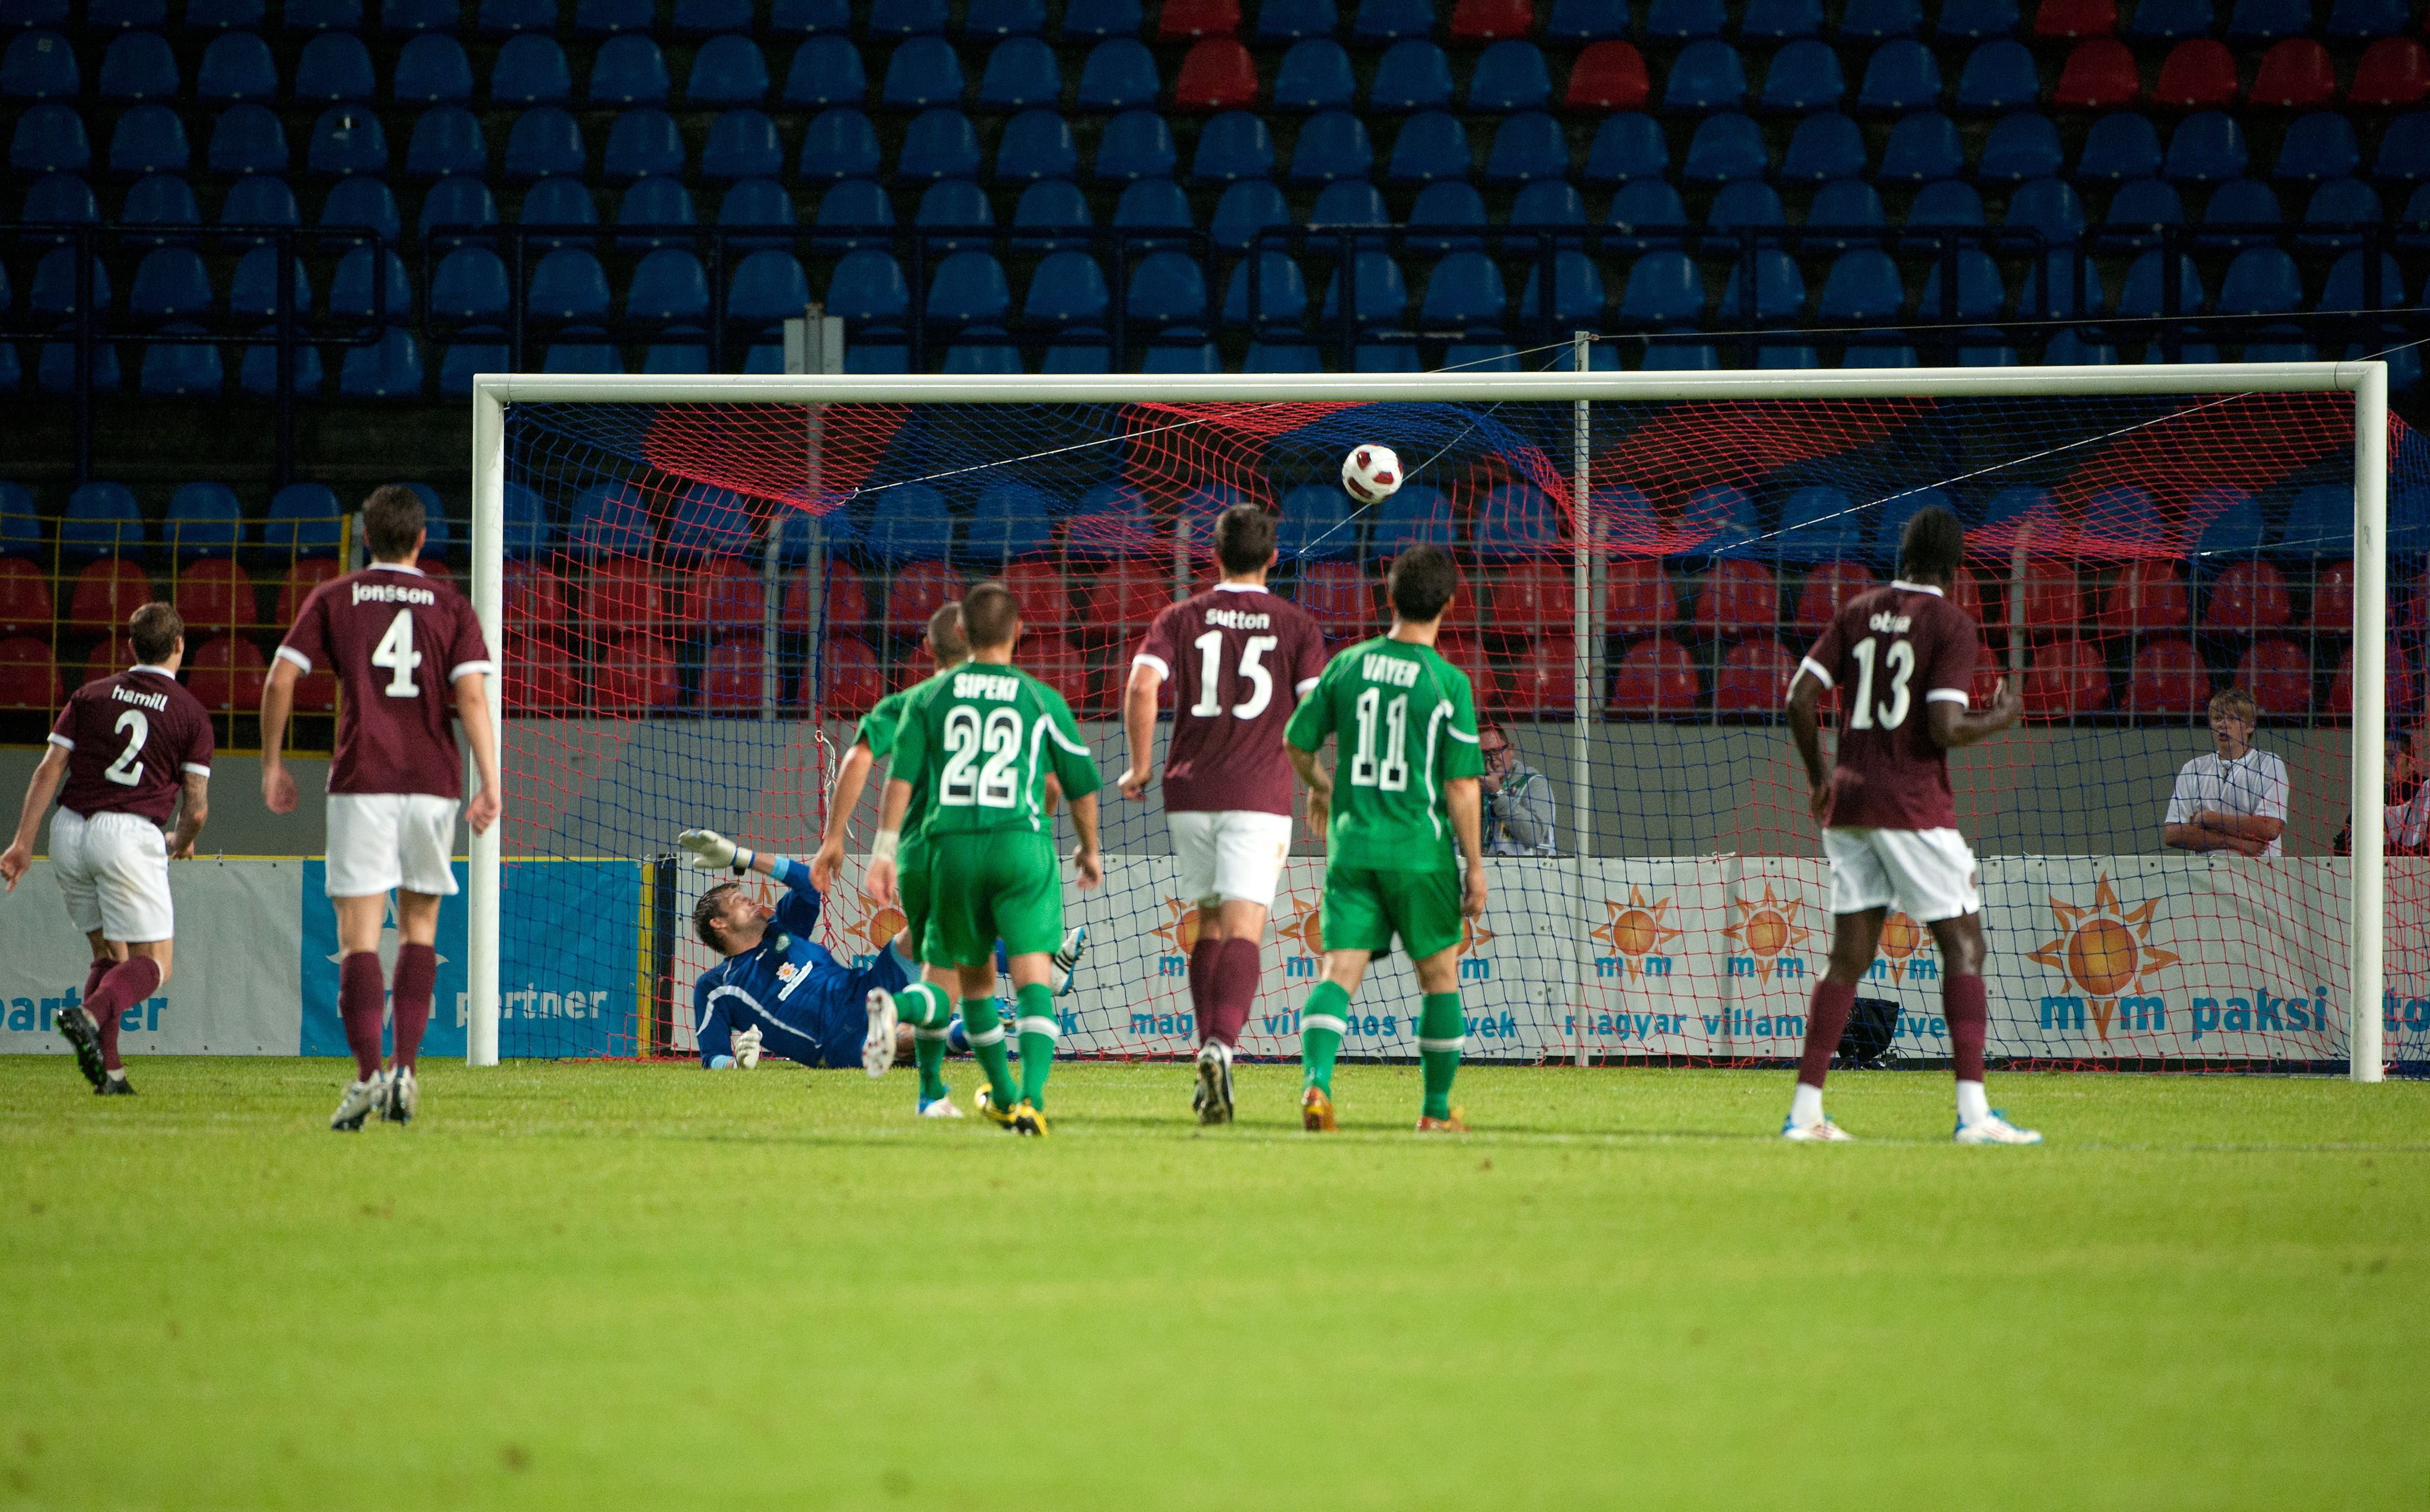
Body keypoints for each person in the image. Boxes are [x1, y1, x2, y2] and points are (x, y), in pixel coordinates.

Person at [1780, 505, 2036, 1145]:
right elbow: (1943, 729)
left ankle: (1805, 1113)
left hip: (1849, 805)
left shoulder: (1857, 609)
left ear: (1901, 557)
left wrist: (1819, 778)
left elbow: (1798, 698)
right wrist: (2001, 718)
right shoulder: (1950, 623)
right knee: (1963, 946)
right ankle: (1973, 1115)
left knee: (1848, 957)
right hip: (1912, 807)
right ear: (1955, 567)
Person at [262, 484, 502, 1131]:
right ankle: (406, 1073)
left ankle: (368, 1076)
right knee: (420, 929)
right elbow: (473, 700)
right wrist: (491, 781)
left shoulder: (335, 596)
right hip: (432, 782)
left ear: (366, 537)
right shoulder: (450, 605)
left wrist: (273, 763)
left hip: (362, 781)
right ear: (422, 540)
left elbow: (282, 677)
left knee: (358, 937)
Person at [813, 602, 1085, 1115]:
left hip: (917, 858)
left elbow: (859, 755)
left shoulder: (914, 701)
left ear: (931, 649)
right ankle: (999, 1074)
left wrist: (835, 840)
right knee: (960, 978)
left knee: (944, 974)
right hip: (986, 848)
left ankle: (932, 1092)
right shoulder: (1015, 702)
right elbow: (1052, 783)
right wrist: (1040, 833)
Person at [868, 580, 1104, 1137]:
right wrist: (1088, 847)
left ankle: (996, 1089)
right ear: (1019, 632)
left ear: (961, 632)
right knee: (1033, 981)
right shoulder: (1040, 698)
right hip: (1020, 846)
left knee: (972, 983)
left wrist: (883, 850)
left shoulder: (929, 698)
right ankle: (1030, 1099)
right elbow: (1078, 783)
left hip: (951, 849)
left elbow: (899, 779)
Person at [1119, 503, 1325, 1123]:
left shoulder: (1179, 615)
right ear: (1271, 558)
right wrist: (1316, 782)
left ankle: (1207, 1053)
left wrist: (1138, 765)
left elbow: (1139, 685)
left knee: (1207, 924)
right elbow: (1313, 712)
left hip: (1188, 791)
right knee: (1243, 928)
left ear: (1211, 556)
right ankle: (1222, 1047)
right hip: (1257, 793)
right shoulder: (1295, 623)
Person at [1281, 544, 1488, 1135]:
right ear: (1449, 603)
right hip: (1418, 852)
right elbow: (1461, 786)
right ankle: (1434, 1110)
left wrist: (1322, 787)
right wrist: (1474, 865)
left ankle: (1316, 1083)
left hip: (1352, 847)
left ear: (1388, 594)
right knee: (1439, 977)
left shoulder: (1349, 664)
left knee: (1337, 970)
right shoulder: (1447, 681)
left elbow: (1296, 741)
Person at [0, 602, 211, 1096]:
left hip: (69, 830)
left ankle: (111, 1072)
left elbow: (49, 769)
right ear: (180, 646)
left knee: (109, 953)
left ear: (131, 646)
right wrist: (181, 840)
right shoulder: (190, 713)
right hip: (129, 836)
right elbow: (196, 808)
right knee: (155, 965)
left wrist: (22, 844)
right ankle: (89, 1014)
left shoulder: (90, 694)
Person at [2161, 688, 2289, 859]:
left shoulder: (2269, 763)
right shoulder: (2193, 768)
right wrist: (2238, 843)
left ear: (2250, 726)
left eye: (2233, 718)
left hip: (2257, 875)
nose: (2223, 724)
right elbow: (2173, 834)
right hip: (2204, 875)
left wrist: (2209, 819)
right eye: (2218, 718)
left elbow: (2269, 828)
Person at [1478, 723, 1558, 857]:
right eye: (1484, 753)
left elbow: (1533, 835)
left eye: (1497, 751)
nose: (1492, 759)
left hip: (1532, 872)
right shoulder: (1474, 786)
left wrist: (1497, 794)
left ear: (1511, 749)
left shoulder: (1534, 783)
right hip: (1488, 871)